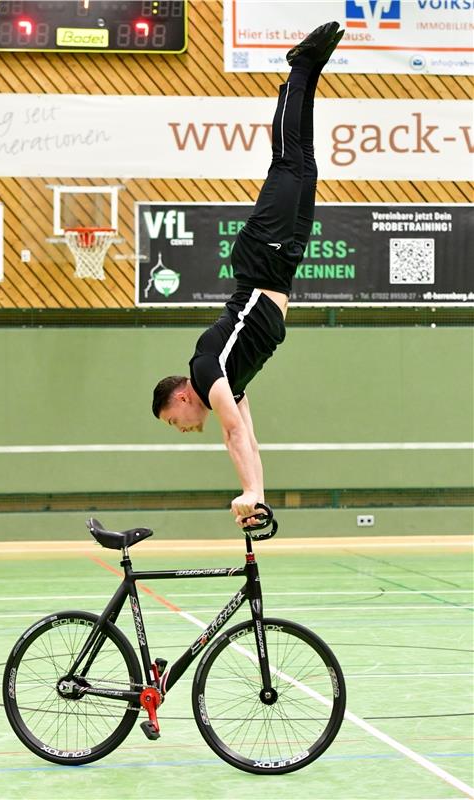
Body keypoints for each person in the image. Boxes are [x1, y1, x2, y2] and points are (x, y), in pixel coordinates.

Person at [152, 22, 344, 528]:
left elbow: (233, 433)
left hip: (262, 262)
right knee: (304, 167)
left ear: (181, 396)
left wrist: (250, 489)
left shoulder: (207, 368)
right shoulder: (228, 386)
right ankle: (310, 73)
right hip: (279, 269)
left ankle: (299, 66)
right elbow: (248, 437)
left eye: (176, 421)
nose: (184, 428)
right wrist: (256, 500)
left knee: (287, 164)